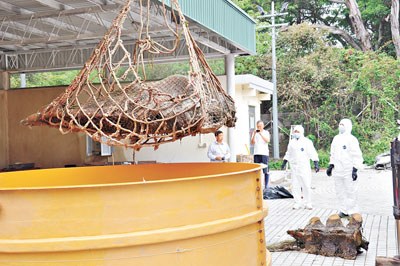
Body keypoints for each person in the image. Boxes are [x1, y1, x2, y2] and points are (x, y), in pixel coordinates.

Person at [326, 118, 363, 218]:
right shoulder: (336, 138)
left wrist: (355, 169)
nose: (340, 126)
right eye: (340, 124)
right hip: (338, 170)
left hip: (348, 170)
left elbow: (357, 155)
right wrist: (331, 165)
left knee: (350, 190)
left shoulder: (352, 139)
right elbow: (332, 154)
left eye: (343, 125)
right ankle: (343, 210)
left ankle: (352, 211)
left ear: (348, 126)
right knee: (340, 191)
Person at [281, 125, 319, 210]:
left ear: (301, 132)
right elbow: (288, 153)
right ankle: (297, 202)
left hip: (304, 166)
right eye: (295, 131)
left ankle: (308, 202)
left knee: (306, 185)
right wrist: (284, 162)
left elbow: (312, 153)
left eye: (297, 132)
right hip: (294, 167)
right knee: (295, 185)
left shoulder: (307, 142)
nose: (296, 133)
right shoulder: (292, 142)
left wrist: (316, 163)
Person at [251, 120, 270, 189]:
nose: (259, 127)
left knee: (266, 170)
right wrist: (254, 134)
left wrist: (261, 134)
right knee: (256, 170)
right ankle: (257, 185)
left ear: (263, 126)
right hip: (256, 153)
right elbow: (252, 142)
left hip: (264, 153)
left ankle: (266, 185)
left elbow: (267, 140)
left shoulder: (266, 132)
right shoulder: (255, 133)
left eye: (260, 126)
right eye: (258, 126)